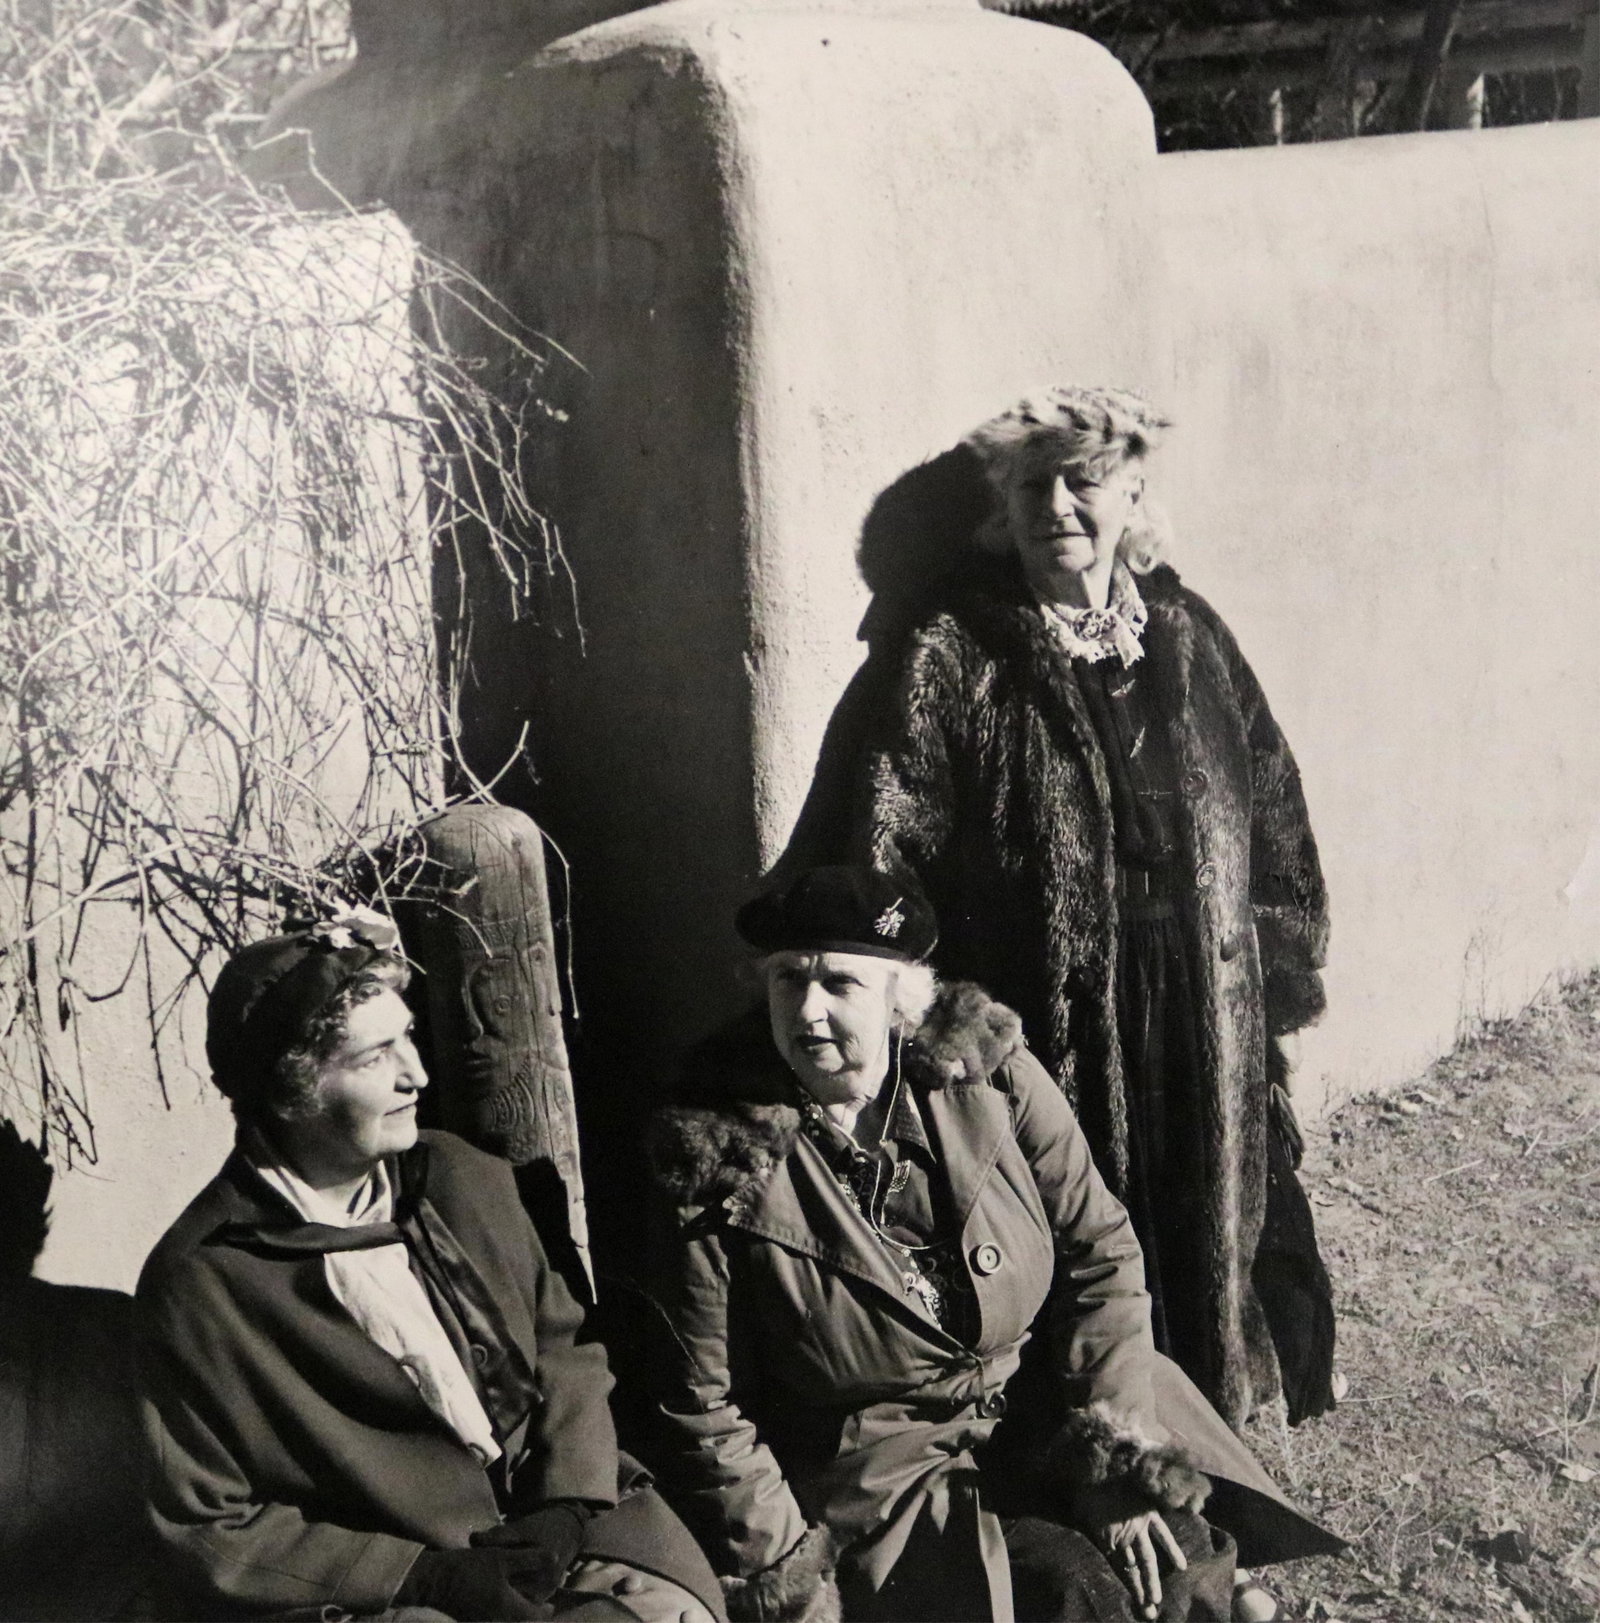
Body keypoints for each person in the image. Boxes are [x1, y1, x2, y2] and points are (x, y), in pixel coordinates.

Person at [646, 866, 1340, 1623]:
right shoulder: (722, 1154)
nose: (808, 1010)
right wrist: (792, 1574)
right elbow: (703, 1404)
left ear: (900, 1000)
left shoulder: (992, 1077)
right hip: (886, 1477)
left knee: (1174, 1557)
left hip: (1045, 1395)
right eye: (788, 979)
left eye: (839, 983)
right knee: (1075, 1591)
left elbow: (1101, 1251)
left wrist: (1111, 1452)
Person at [845, 386, 1332, 1429]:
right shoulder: (953, 651)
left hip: (1199, 996)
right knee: (1088, 1225)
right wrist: (932, 1008)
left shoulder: (1191, 636)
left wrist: (1278, 971)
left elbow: (1272, 805)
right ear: (1003, 506)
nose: (1057, 505)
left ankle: (1207, 1418)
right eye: (1034, 485)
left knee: (1208, 1214)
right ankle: (1093, 1434)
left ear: (1133, 494)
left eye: (1084, 480)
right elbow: (885, 841)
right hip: (1054, 1014)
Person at [135, 909, 724, 1623]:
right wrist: (423, 1577)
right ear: (293, 1088)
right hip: (397, 1588)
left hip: (561, 1519)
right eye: (375, 1057)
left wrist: (567, 1502)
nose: (416, 1075)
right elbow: (206, 1525)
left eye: (408, 1037)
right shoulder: (204, 1283)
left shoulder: (461, 1176)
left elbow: (562, 1347)